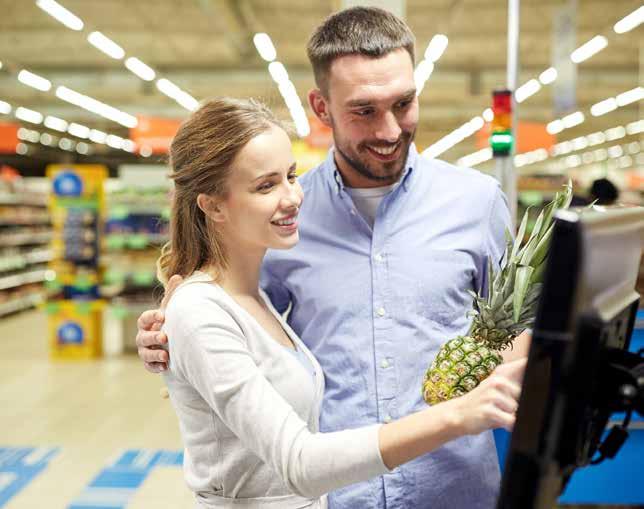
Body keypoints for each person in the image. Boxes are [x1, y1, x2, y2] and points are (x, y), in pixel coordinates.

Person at [138, 7, 532, 509]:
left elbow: (520, 326)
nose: (390, 130)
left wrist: (502, 377)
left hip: (453, 487)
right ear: (321, 108)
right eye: (364, 111)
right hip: (335, 492)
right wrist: (168, 343)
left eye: (404, 103)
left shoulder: (477, 202)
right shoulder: (278, 225)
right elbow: (229, 324)